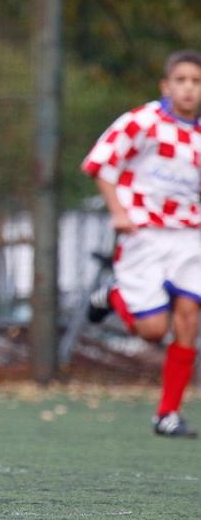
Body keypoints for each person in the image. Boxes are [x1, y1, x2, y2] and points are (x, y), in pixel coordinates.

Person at [83, 49, 201, 438]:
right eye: (181, 80)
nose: (188, 88)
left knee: (189, 317)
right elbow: (100, 164)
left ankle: (168, 414)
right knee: (152, 330)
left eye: (196, 81)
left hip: (189, 237)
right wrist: (118, 212)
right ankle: (112, 294)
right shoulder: (143, 121)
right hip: (144, 234)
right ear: (166, 86)